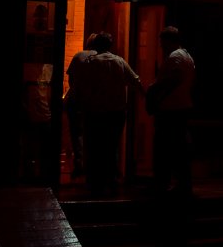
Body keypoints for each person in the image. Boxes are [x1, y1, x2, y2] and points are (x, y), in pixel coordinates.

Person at [69, 31, 145, 197]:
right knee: (111, 146)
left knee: (94, 147)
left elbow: (77, 85)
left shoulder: (89, 62)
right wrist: (146, 98)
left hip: (94, 111)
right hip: (116, 112)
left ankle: (95, 182)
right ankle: (111, 180)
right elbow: (136, 81)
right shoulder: (119, 61)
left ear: (96, 45)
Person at [147, 26, 196, 198]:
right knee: (179, 147)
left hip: (171, 109)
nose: (161, 46)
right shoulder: (187, 56)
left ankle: (164, 183)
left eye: (162, 42)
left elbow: (176, 78)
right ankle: (181, 183)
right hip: (181, 106)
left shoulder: (175, 57)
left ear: (169, 41)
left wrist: (156, 90)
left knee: (165, 147)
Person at [64, 32, 99, 179]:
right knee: (93, 133)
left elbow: (71, 79)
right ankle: (93, 165)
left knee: (76, 133)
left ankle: (79, 164)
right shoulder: (102, 57)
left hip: (76, 100)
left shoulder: (79, 56)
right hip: (94, 102)